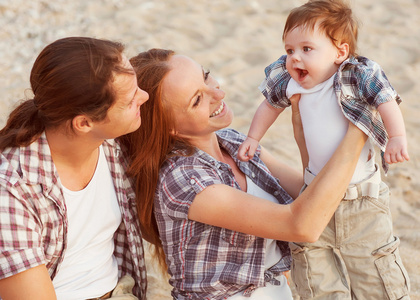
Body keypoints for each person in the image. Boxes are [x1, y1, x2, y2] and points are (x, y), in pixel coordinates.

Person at [120, 48, 367, 300]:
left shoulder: (233, 142)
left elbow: (312, 196)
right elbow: (302, 225)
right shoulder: (185, 180)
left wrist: (303, 138)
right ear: (169, 127)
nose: (218, 93)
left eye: (205, 77)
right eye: (197, 100)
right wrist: (360, 126)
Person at [237, 0, 411, 299]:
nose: (295, 58)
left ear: (340, 52)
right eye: (290, 50)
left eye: (307, 49)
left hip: (362, 200)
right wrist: (254, 137)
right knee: (317, 278)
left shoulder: (354, 75)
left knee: (374, 275)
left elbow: (385, 99)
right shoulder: (291, 82)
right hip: (315, 194)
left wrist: (396, 136)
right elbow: (268, 106)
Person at [0, 37, 149, 300]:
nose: (144, 97)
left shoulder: (111, 145)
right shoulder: (12, 189)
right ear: (84, 123)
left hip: (121, 290)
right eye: (130, 100)